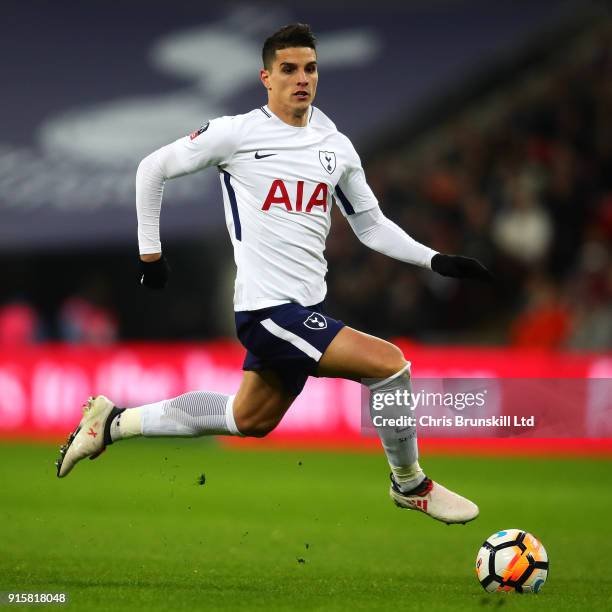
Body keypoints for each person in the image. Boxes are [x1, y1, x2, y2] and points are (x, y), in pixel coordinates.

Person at [56, 24, 490, 524]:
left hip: (303, 309)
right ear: (266, 76)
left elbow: (369, 224)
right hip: (266, 311)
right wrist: (150, 256)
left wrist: (434, 259)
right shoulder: (236, 133)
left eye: (309, 68)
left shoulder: (335, 146)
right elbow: (150, 168)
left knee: (249, 419)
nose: (301, 78)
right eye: (288, 69)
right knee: (388, 364)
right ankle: (409, 483)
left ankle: (112, 422)